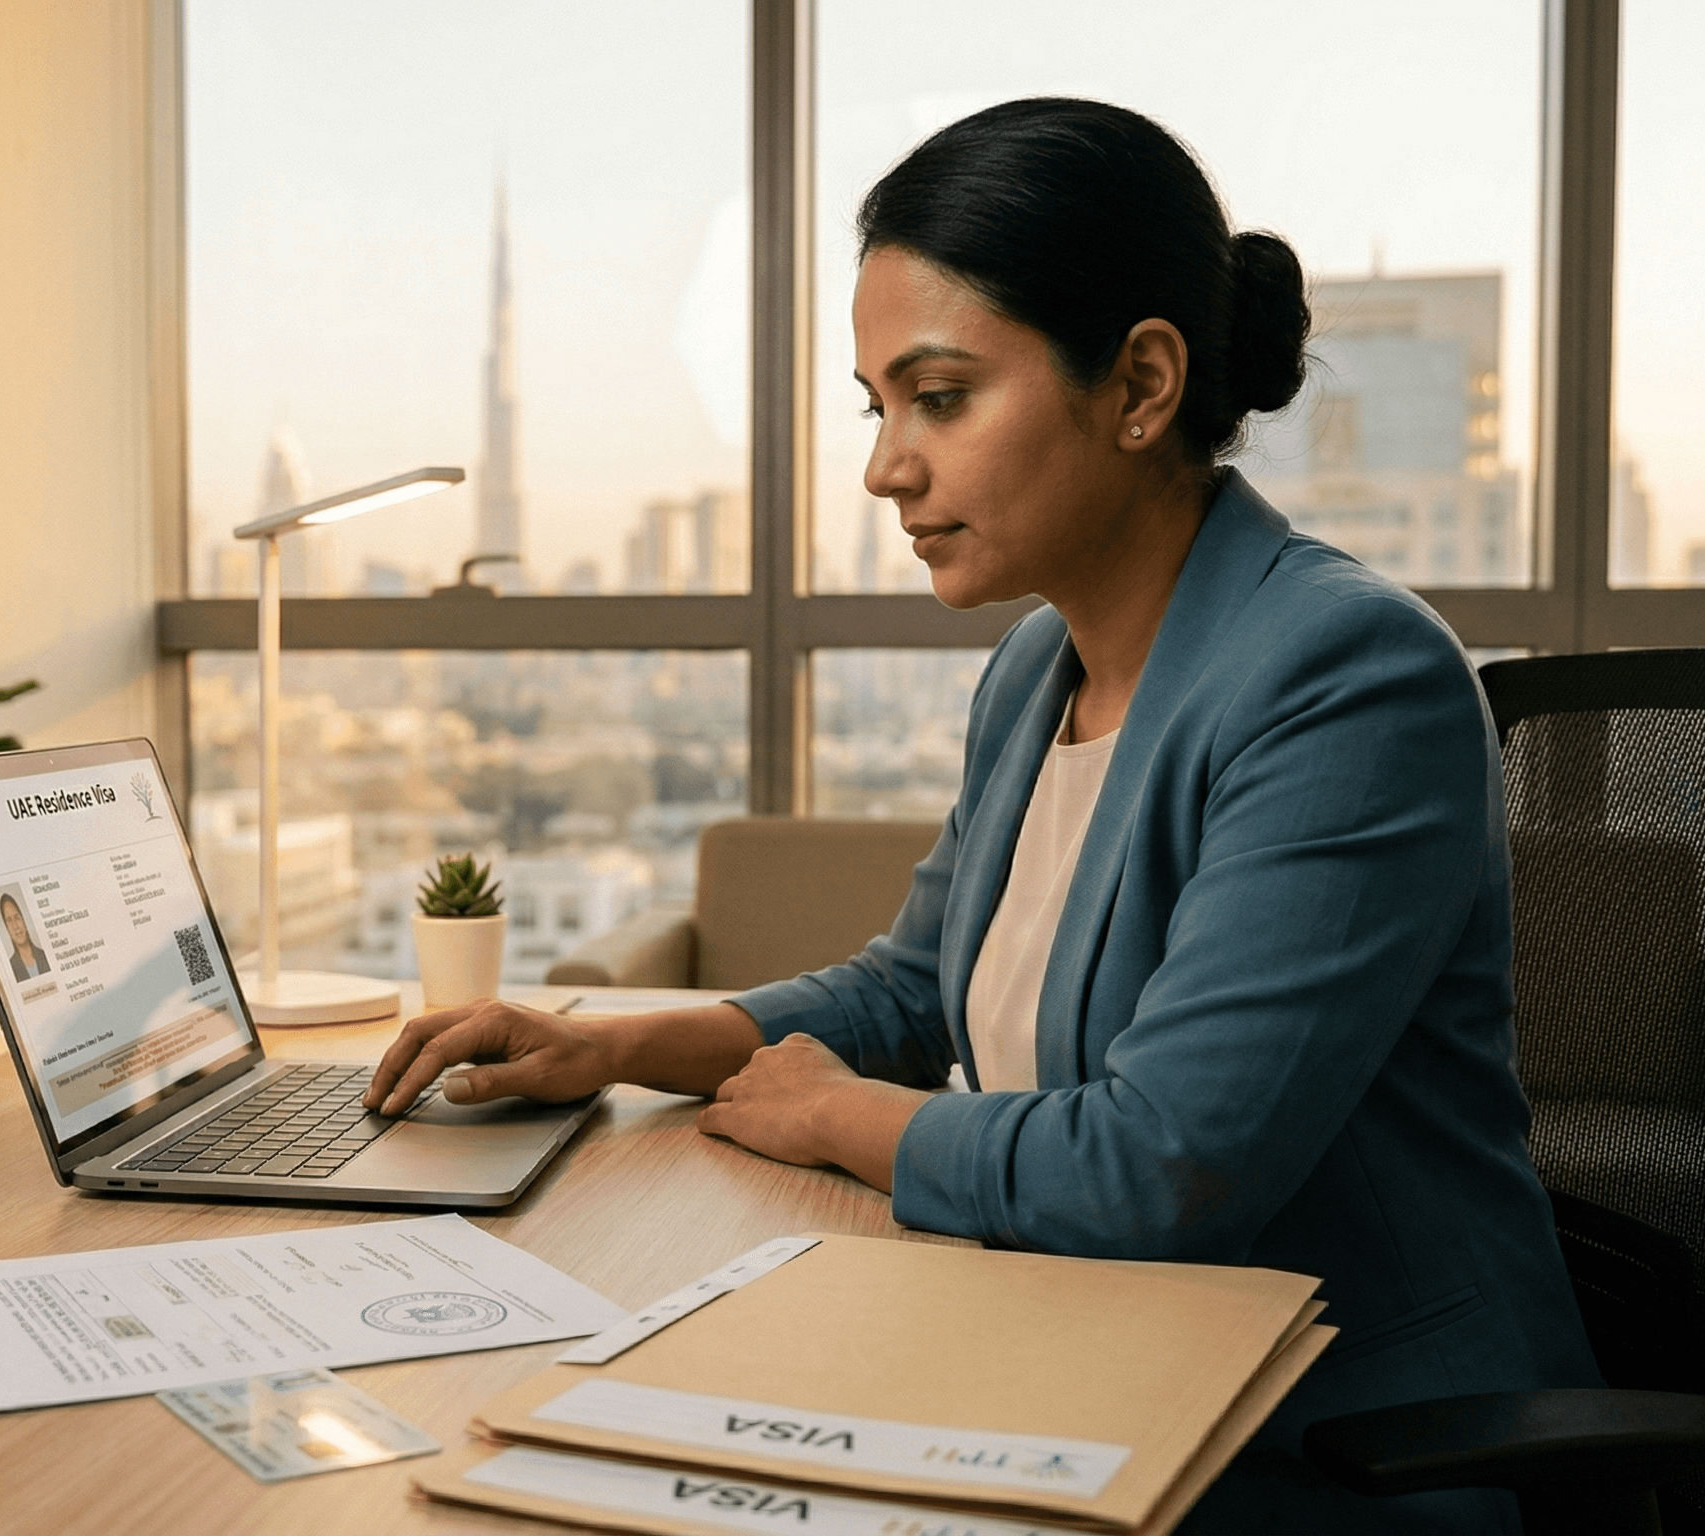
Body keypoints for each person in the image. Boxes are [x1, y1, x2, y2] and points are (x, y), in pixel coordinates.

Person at [365, 98, 1596, 1532]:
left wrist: (836, 1117)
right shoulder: (1039, 662)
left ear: (1140, 384)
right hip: (1081, 1361)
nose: (888, 464)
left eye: (940, 398)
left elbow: (1159, 1171)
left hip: (1335, 1444)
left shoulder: (1345, 677)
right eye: (878, 406)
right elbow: (913, 987)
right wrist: (619, 1041)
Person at [0, 892, 51, 982]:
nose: (15, 926)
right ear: (6, 928)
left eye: (17, 917)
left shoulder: (46, 956)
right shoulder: (9, 968)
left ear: (24, 921)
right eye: (9, 920)